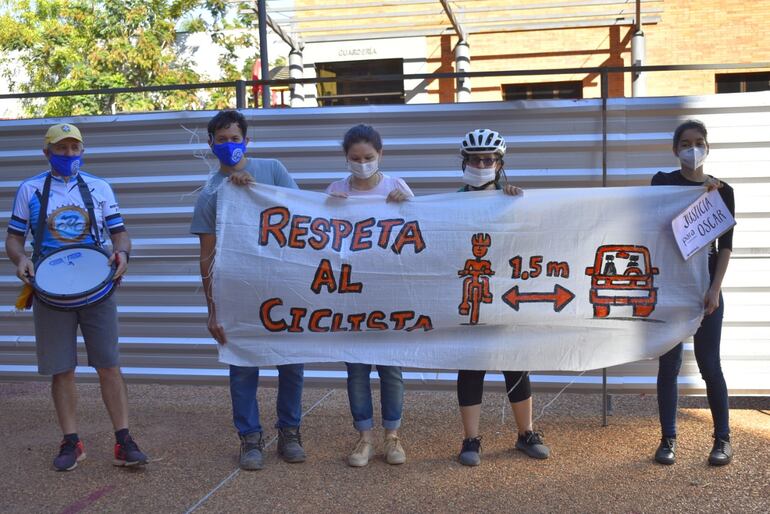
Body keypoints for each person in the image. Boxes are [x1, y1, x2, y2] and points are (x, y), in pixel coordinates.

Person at [4, 123, 147, 471]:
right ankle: (71, 441)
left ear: (82, 150)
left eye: (74, 148)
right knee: (61, 369)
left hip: (97, 288)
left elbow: (120, 234)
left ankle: (123, 440)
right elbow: (13, 239)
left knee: (109, 364)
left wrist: (123, 254)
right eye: (61, 148)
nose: (68, 154)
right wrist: (20, 259)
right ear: (47, 152)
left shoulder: (100, 187)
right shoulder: (30, 189)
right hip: (50, 292)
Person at [190, 110, 306, 470]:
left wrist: (257, 191)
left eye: (235, 139)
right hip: (237, 292)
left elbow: (305, 216)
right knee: (242, 365)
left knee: (291, 362)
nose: (229, 145)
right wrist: (213, 310)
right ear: (211, 144)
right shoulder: (210, 194)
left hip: (285, 286)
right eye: (222, 140)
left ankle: (290, 432)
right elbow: (206, 256)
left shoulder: (273, 170)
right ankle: (250, 437)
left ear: (247, 141)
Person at [454, 128, 550, 466]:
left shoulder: (511, 199)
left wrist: (517, 205)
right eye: (475, 160)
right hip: (472, 295)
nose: (481, 165)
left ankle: (526, 432)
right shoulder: (450, 203)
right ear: (464, 163)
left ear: (499, 164)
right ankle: (470, 439)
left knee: (515, 362)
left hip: (506, 295)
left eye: (488, 160)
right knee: (471, 366)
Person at [325, 124, 413, 467]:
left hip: (389, 294)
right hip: (350, 294)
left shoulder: (396, 186)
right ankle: (364, 438)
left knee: (391, 369)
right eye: (355, 158)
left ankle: (393, 437)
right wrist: (329, 209)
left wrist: (406, 205)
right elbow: (319, 238)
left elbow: (419, 231)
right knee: (357, 370)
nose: (362, 164)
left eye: (368, 157)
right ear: (345, 158)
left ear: (380, 154)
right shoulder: (335, 190)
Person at [652, 120, 735, 466]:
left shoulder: (722, 191)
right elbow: (654, 221)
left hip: (705, 285)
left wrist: (715, 289)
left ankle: (723, 440)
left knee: (709, 364)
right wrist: (697, 197)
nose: (692, 149)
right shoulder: (663, 183)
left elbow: (726, 246)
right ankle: (668, 439)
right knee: (669, 364)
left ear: (707, 147)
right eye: (685, 144)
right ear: (675, 150)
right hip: (672, 285)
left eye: (698, 142)